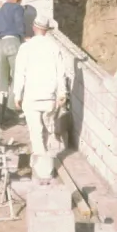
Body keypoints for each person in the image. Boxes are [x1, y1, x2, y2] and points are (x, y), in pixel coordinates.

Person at [12, 13, 73, 158]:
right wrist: (62, 93)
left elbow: (20, 73)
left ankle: (41, 162)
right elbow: (61, 73)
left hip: (31, 97)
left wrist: (17, 94)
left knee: (36, 131)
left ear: (34, 28)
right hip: (49, 97)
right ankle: (45, 156)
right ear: (47, 30)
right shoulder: (54, 47)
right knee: (46, 129)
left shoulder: (25, 48)